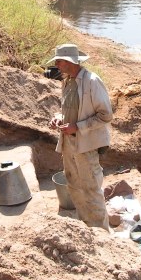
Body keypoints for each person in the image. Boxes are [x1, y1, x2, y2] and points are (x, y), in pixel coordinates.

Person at [47, 44, 112, 231]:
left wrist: (78, 127)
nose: (57, 64)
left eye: (59, 61)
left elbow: (106, 115)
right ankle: (87, 228)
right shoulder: (67, 82)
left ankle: (102, 233)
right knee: (74, 186)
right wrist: (58, 119)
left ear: (70, 62)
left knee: (91, 190)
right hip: (69, 144)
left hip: (86, 146)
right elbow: (68, 111)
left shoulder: (92, 81)